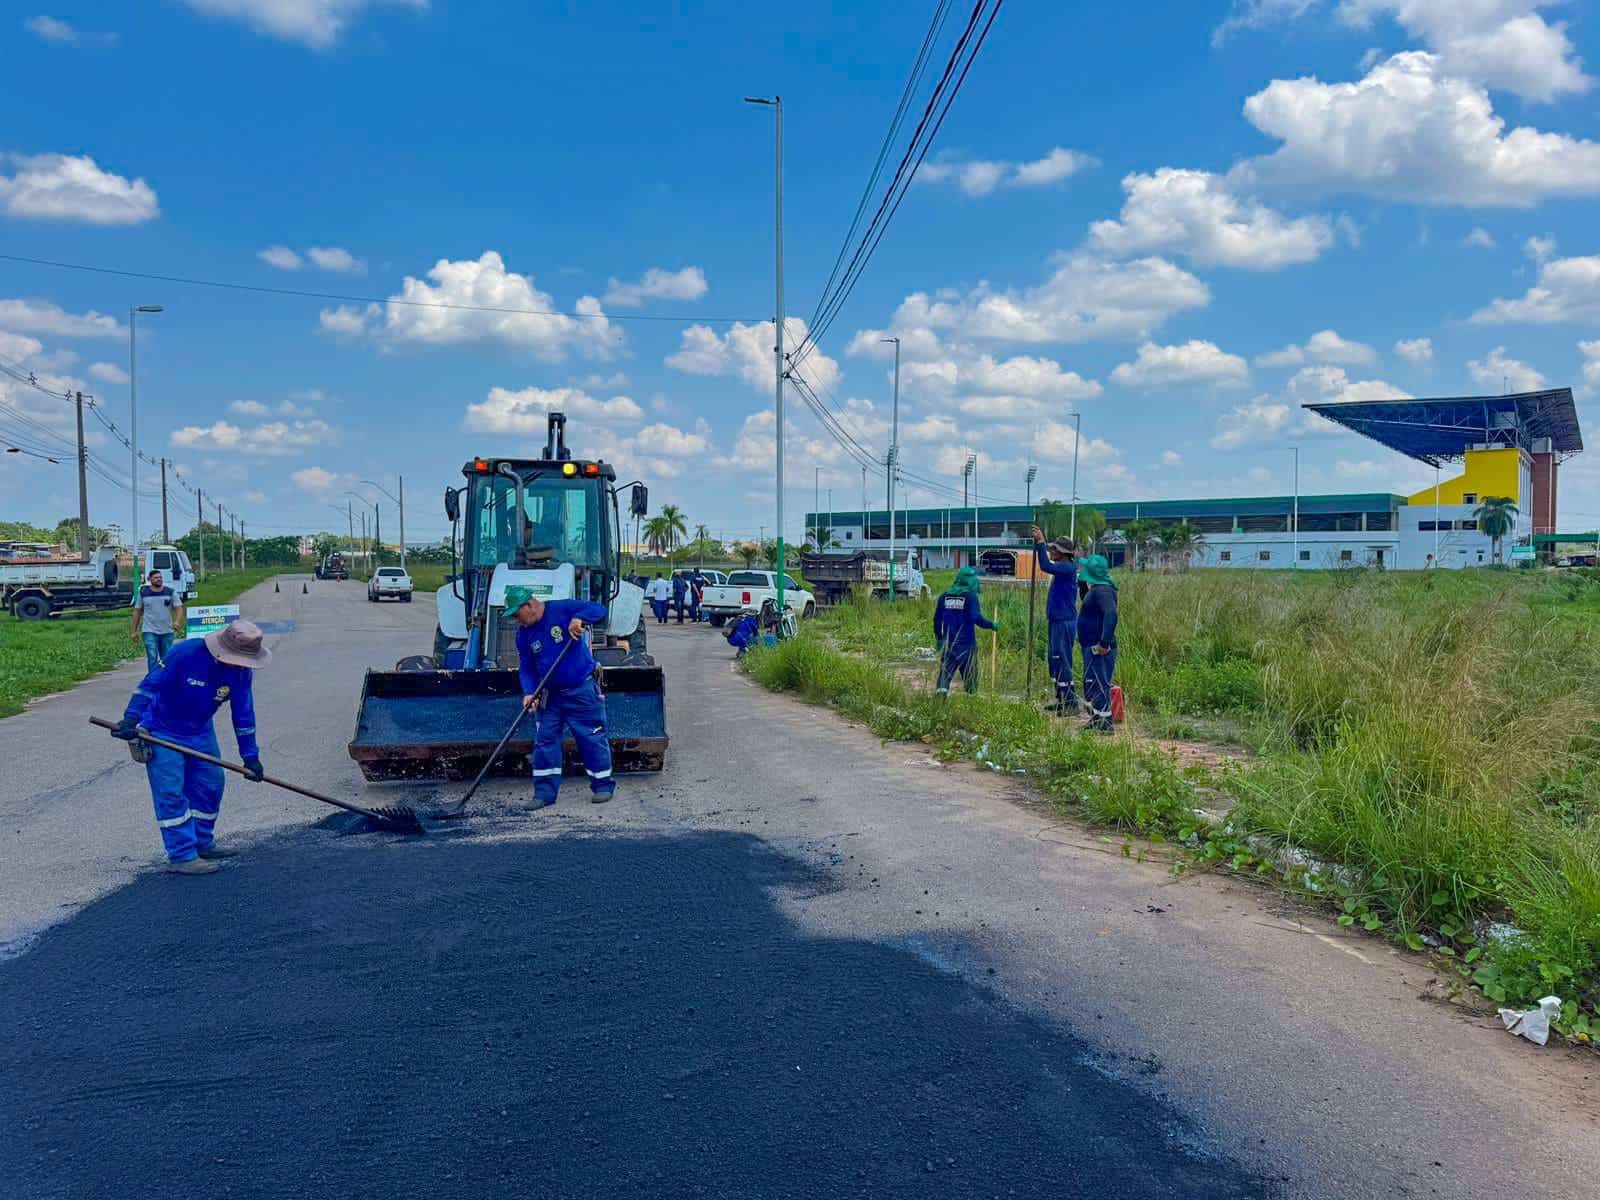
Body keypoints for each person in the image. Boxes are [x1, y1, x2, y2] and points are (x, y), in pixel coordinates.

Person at [110, 619, 271, 875]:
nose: (239, 664)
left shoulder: (241, 672)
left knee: (211, 784)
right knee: (171, 792)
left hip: (200, 731)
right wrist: (131, 718)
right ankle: (182, 855)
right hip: (161, 729)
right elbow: (151, 684)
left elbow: (244, 713)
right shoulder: (185, 653)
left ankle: (202, 842)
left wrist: (250, 756)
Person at [506, 584, 615, 807]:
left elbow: (599, 609)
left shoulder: (562, 609)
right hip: (550, 696)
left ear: (530, 605)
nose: (517, 620)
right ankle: (544, 794)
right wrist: (529, 692)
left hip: (581, 692)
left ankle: (603, 785)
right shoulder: (523, 635)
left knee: (591, 737)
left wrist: (579, 618)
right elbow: (527, 668)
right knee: (545, 742)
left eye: (517, 615)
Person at [1030, 525, 1078, 715]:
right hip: (1057, 620)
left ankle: (1071, 703)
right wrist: (1038, 545)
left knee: (1062, 660)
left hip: (1064, 622)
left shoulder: (1067, 568)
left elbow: (1045, 566)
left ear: (1063, 553)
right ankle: (1061, 698)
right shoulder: (1064, 568)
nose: (1051, 552)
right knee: (1054, 659)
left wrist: (1041, 543)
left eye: (1054, 550)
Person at [933, 566, 996, 696]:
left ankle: (940, 701)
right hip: (966, 645)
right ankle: (971, 701)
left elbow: (937, 620)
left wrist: (939, 638)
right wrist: (991, 625)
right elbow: (976, 618)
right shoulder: (970, 597)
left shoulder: (944, 597)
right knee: (970, 677)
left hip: (949, 644)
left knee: (945, 675)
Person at [1077, 555, 1119, 733]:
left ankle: (1104, 723)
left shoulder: (1103, 591)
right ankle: (1098, 718)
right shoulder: (1096, 590)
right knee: (1092, 682)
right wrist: (1081, 584)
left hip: (1099, 647)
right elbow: (1088, 603)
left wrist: (1104, 642)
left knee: (1099, 682)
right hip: (1091, 644)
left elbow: (1111, 614)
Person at [131, 567, 184, 673]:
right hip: (149, 630)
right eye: (155, 578)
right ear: (149, 579)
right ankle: (153, 679)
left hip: (167, 631)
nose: (159, 579)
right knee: (152, 656)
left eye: (160, 577)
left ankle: (165, 678)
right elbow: (137, 611)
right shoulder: (143, 592)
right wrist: (133, 631)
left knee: (166, 658)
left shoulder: (170, 591)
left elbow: (179, 608)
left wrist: (177, 621)